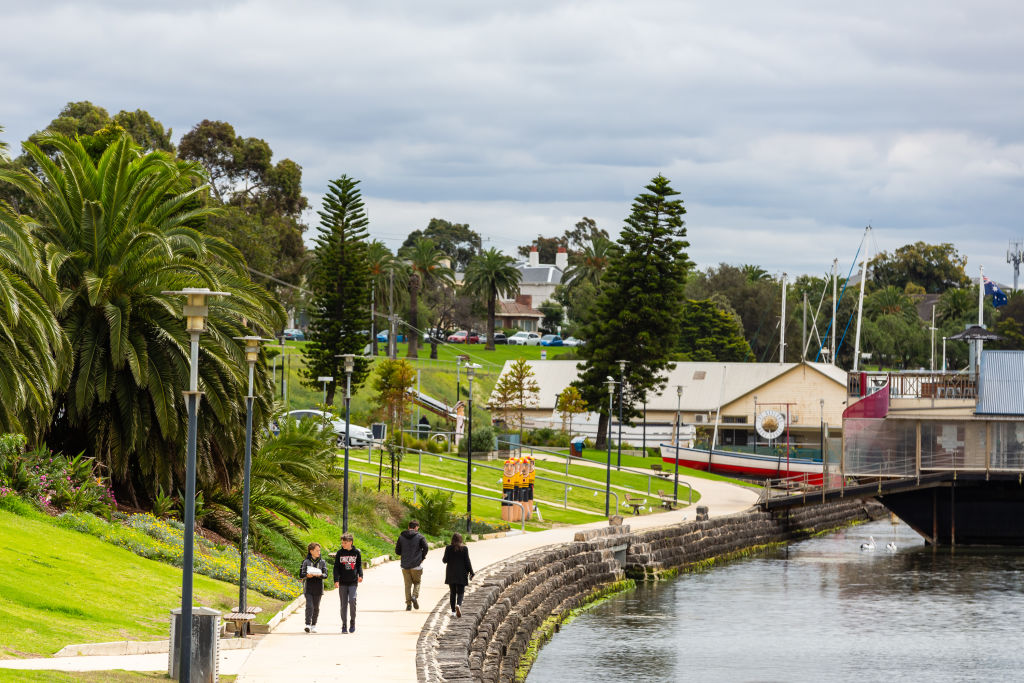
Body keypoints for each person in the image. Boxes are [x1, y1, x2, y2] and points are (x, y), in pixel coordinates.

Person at [333, 532, 363, 634]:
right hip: (342, 582)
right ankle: (344, 625)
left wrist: (361, 575)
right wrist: (336, 580)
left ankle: (352, 621)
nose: (343, 544)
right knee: (343, 604)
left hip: (353, 582)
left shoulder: (356, 553)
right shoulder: (339, 553)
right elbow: (336, 567)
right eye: (342, 543)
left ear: (350, 542)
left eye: (345, 543)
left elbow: (359, 565)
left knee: (352, 600)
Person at [395, 519, 429, 610]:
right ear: (416, 527)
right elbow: (426, 547)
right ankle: (414, 596)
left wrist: (404, 553)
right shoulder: (420, 537)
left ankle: (408, 605)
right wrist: (422, 557)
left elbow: (397, 551)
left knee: (407, 585)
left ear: (408, 527)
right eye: (418, 527)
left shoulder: (401, 536)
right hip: (416, 565)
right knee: (417, 582)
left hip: (405, 565)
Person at [442, 533, 474, 618]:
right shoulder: (464, 548)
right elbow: (467, 562)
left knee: (452, 593)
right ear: (461, 539)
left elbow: (444, 560)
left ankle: (453, 611)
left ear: (452, 539)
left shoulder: (448, 548)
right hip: (461, 574)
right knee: (461, 592)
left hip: (451, 573)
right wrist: (471, 572)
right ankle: (458, 605)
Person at [300, 542, 327, 633]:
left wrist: (320, 575)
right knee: (309, 606)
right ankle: (307, 624)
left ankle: (313, 625)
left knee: (316, 607)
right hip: (308, 588)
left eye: (319, 550)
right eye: (317, 550)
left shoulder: (322, 562)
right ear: (311, 551)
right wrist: (307, 575)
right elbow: (301, 574)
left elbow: (325, 575)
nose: (319, 552)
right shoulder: (306, 562)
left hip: (318, 588)